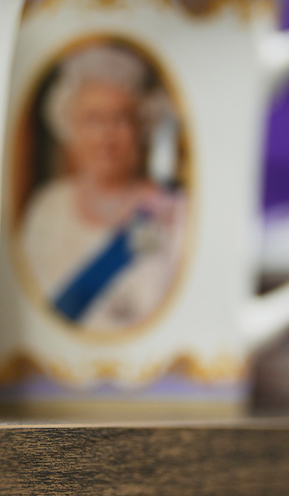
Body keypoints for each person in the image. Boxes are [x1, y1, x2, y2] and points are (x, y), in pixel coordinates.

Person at [19, 44, 185, 331]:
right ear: (70, 129)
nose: (105, 135)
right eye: (92, 119)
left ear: (142, 128)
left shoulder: (172, 212)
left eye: (120, 119)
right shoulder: (48, 206)